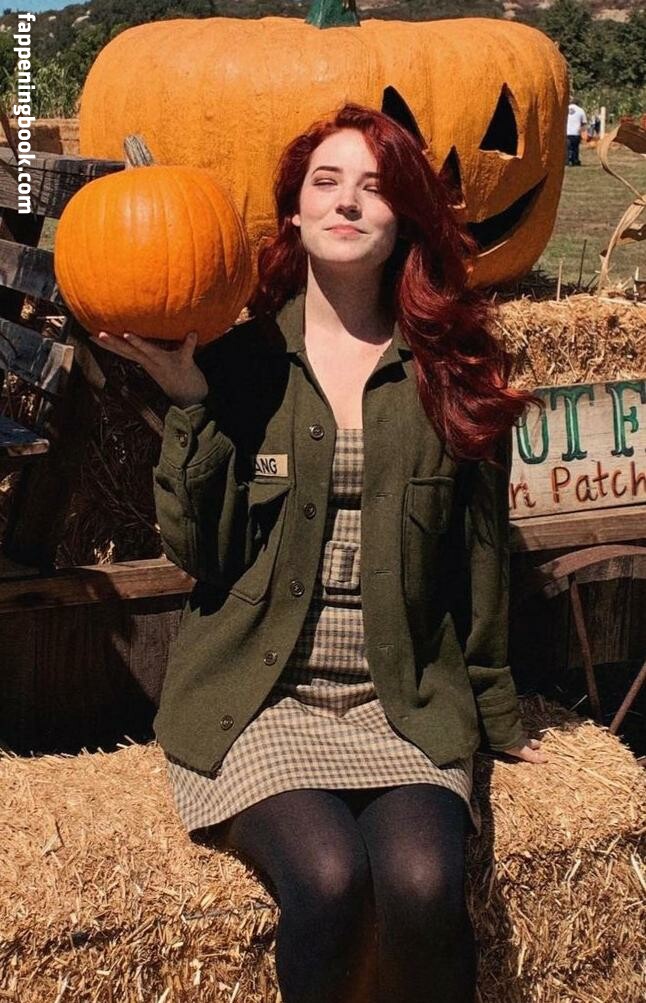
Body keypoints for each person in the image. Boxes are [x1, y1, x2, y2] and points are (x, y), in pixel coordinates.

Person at [91, 102, 548, 1003]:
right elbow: (199, 551)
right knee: (330, 880)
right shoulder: (239, 362)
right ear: (293, 213)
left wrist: (498, 717)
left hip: (401, 701)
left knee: (424, 886)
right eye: (325, 182)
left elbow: (481, 564)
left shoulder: (450, 371)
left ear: (403, 218)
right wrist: (190, 403)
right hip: (262, 702)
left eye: (374, 188)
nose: (346, 202)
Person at [567, 97, 587, 165]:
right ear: (578, 103)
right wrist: (582, 131)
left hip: (566, 132)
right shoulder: (581, 110)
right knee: (575, 147)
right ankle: (575, 160)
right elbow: (584, 123)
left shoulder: (565, 109)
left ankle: (568, 160)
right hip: (576, 132)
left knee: (568, 147)